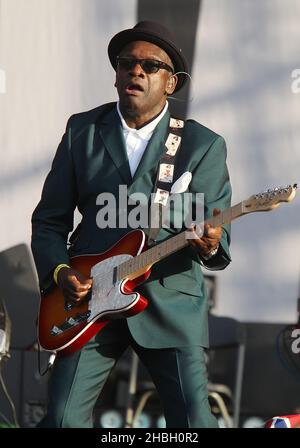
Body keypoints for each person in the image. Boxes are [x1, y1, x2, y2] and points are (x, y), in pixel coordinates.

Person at [31, 21, 231, 428]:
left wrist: (209, 243)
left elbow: (218, 232)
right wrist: (60, 270)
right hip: (88, 302)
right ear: (117, 74)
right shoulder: (81, 132)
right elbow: (49, 222)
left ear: (171, 83)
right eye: (127, 63)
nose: (136, 72)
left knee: (194, 423)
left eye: (150, 66)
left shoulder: (202, 145)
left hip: (169, 299)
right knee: (62, 419)